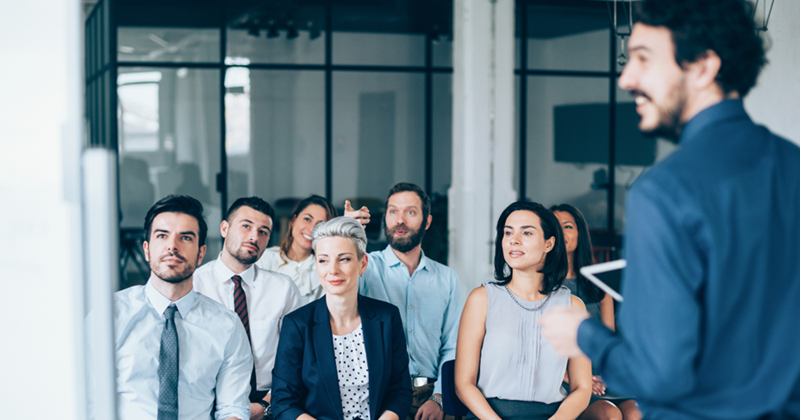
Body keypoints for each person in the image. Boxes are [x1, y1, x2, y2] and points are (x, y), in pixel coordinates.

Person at [540, 1, 800, 419]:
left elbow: (661, 376)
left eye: (643, 59)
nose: (626, 78)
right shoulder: (793, 166)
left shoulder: (663, 192)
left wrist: (584, 334)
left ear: (702, 66)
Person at [108, 195, 252, 420]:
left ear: (201, 253)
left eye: (185, 238)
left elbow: (232, 409)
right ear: (147, 249)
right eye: (162, 236)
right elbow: (88, 399)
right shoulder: (110, 316)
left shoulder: (227, 326)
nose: (172, 246)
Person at [455, 201, 592, 420]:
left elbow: (583, 388)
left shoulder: (573, 306)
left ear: (549, 244)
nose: (513, 240)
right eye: (507, 233)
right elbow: (463, 384)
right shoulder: (481, 299)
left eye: (526, 233)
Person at [271, 217, 413, 420]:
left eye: (344, 259)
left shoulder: (387, 317)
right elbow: (283, 402)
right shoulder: (297, 324)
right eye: (323, 260)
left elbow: (400, 391)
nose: (333, 270)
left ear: (362, 263)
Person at [356, 182, 461, 420]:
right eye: (393, 211)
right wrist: (345, 230)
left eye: (410, 212)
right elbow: (334, 290)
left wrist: (439, 398)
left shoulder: (447, 278)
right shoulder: (365, 267)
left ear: (427, 221)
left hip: (433, 396)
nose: (399, 220)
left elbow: (453, 346)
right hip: (379, 394)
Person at [194, 197, 302, 420]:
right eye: (246, 226)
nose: (255, 236)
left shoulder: (283, 288)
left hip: (272, 403)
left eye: (264, 231)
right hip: (208, 404)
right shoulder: (195, 285)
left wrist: (265, 405)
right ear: (224, 228)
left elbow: (298, 357)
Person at [550, 204, 641, 420]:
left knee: (636, 413)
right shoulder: (540, 284)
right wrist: (576, 378)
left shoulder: (598, 283)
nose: (561, 232)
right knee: (610, 415)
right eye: (554, 226)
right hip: (564, 379)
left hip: (603, 378)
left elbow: (607, 340)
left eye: (568, 226)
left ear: (580, 233)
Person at [256, 195, 370, 305]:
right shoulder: (264, 259)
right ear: (294, 220)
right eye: (307, 219)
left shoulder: (326, 268)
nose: (311, 229)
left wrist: (345, 232)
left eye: (320, 224)